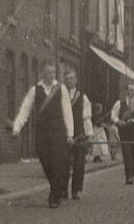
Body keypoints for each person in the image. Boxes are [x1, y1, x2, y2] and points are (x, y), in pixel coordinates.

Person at [13, 63, 75, 208]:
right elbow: (25, 109)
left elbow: (67, 112)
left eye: (53, 72)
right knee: (46, 161)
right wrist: (17, 127)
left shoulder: (61, 89)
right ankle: (57, 187)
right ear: (42, 73)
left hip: (58, 131)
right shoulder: (35, 89)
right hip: (42, 131)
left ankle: (54, 197)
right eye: (48, 72)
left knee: (57, 162)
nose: (51, 75)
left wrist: (70, 134)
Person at [62, 69, 92, 200]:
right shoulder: (60, 96)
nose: (69, 81)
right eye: (67, 79)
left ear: (76, 80)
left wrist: (89, 134)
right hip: (64, 134)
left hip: (79, 134)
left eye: (72, 78)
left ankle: (77, 190)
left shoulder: (82, 97)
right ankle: (62, 190)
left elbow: (87, 117)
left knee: (79, 163)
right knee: (63, 163)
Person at [111, 83, 134, 185]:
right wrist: (118, 121)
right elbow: (113, 116)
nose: (132, 92)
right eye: (130, 90)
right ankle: (129, 176)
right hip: (123, 130)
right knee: (126, 152)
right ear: (127, 91)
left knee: (133, 151)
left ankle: (132, 173)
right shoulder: (119, 103)